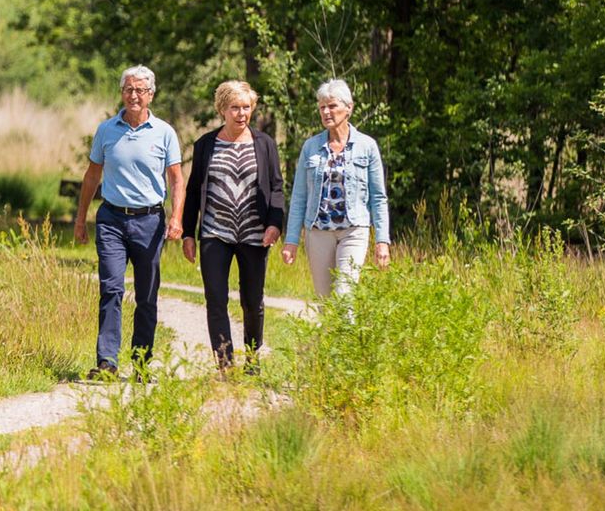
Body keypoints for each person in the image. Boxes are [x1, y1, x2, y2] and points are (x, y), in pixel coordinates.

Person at [72, 65, 183, 379]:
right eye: (128, 90)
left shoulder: (164, 132)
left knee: (147, 294)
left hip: (149, 221)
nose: (133, 95)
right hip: (111, 220)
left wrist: (176, 217)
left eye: (140, 90)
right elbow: (92, 175)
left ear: (150, 94)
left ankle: (142, 363)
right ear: (121, 93)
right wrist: (81, 219)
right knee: (111, 288)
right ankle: (107, 362)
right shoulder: (107, 130)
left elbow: (176, 180)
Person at [181, 80, 284, 373]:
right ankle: (225, 363)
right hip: (215, 232)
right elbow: (193, 191)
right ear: (222, 110)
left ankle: (252, 359)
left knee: (253, 301)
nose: (241, 113)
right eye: (235, 108)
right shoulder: (206, 144)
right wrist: (189, 233)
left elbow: (276, 187)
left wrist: (275, 224)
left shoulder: (264, 144)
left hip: (254, 234)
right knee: (215, 298)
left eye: (246, 107)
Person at [282, 79, 390, 300]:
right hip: (318, 232)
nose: (326, 112)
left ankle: (345, 335)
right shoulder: (310, 147)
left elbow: (378, 197)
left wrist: (382, 240)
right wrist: (291, 240)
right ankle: (330, 336)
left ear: (348, 108)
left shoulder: (367, 146)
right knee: (325, 301)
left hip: (354, 230)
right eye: (322, 107)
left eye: (332, 106)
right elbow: (299, 196)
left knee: (344, 296)